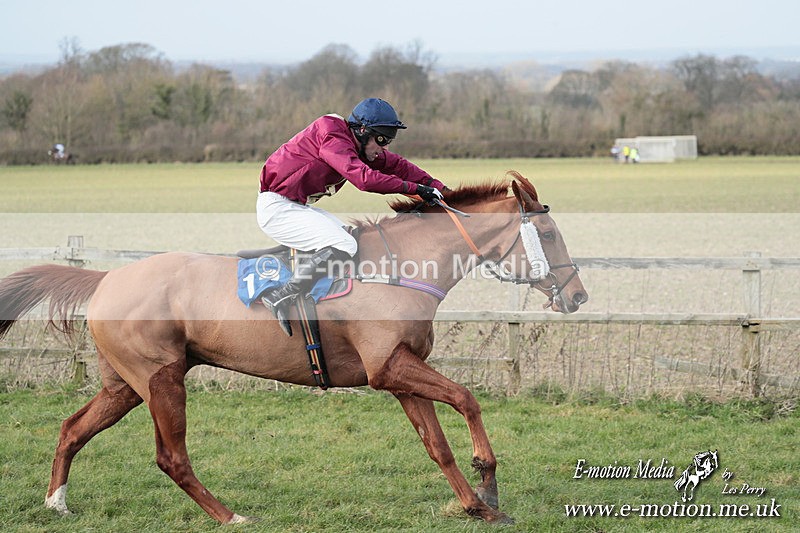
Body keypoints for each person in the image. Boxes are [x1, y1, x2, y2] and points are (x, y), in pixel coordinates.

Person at [256, 97, 447, 336]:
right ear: (363, 130)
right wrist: (416, 190)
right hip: (277, 208)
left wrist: (439, 188)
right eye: (382, 140)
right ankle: (281, 295)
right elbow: (363, 179)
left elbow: (399, 166)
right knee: (344, 244)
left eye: (388, 141)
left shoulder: (355, 142)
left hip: (295, 206)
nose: (384, 147)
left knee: (353, 239)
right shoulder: (333, 137)